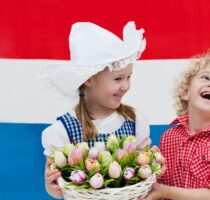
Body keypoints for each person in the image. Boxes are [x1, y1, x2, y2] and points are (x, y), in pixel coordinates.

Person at [41, 21, 151, 198]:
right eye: (118, 79)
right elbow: (57, 188)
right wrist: (51, 186)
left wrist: (154, 167)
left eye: (129, 77)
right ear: (89, 79)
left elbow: (145, 170)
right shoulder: (63, 130)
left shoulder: (133, 121)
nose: (126, 86)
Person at [141, 52, 210, 200]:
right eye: (205, 77)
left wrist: (165, 191)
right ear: (186, 92)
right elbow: (158, 187)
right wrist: (150, 167)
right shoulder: (169, 138)